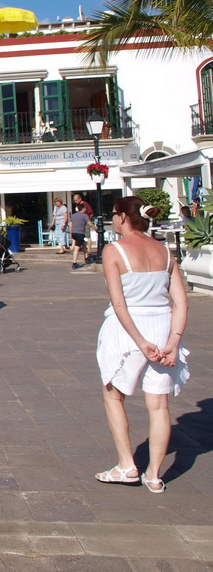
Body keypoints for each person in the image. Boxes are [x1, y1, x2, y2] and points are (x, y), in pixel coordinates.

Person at [95, 197, 189, 493]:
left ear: (123, 217)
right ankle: (154, 475)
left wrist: (140, 341)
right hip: (163, 329)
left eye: (113, 214)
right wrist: (173, 342)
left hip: (128, 333)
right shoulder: (164, 251)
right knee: (159, 405)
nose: (112, 219)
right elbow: (181, 302)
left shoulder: (114, 250)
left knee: (113, 396)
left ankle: (126, 465)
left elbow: (119, 304)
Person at [70, 204, 92, 269]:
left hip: (74, 233)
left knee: (84, 244)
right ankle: (74, 263)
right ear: (83, 209)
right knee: (77, 248)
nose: (86, 209)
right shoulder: (84, 215)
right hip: (80, 233)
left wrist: (71, 233)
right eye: (85, 208)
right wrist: (96, 229)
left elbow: (71, 224)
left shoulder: (73, 215)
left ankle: (86, 257)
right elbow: (90, 223)